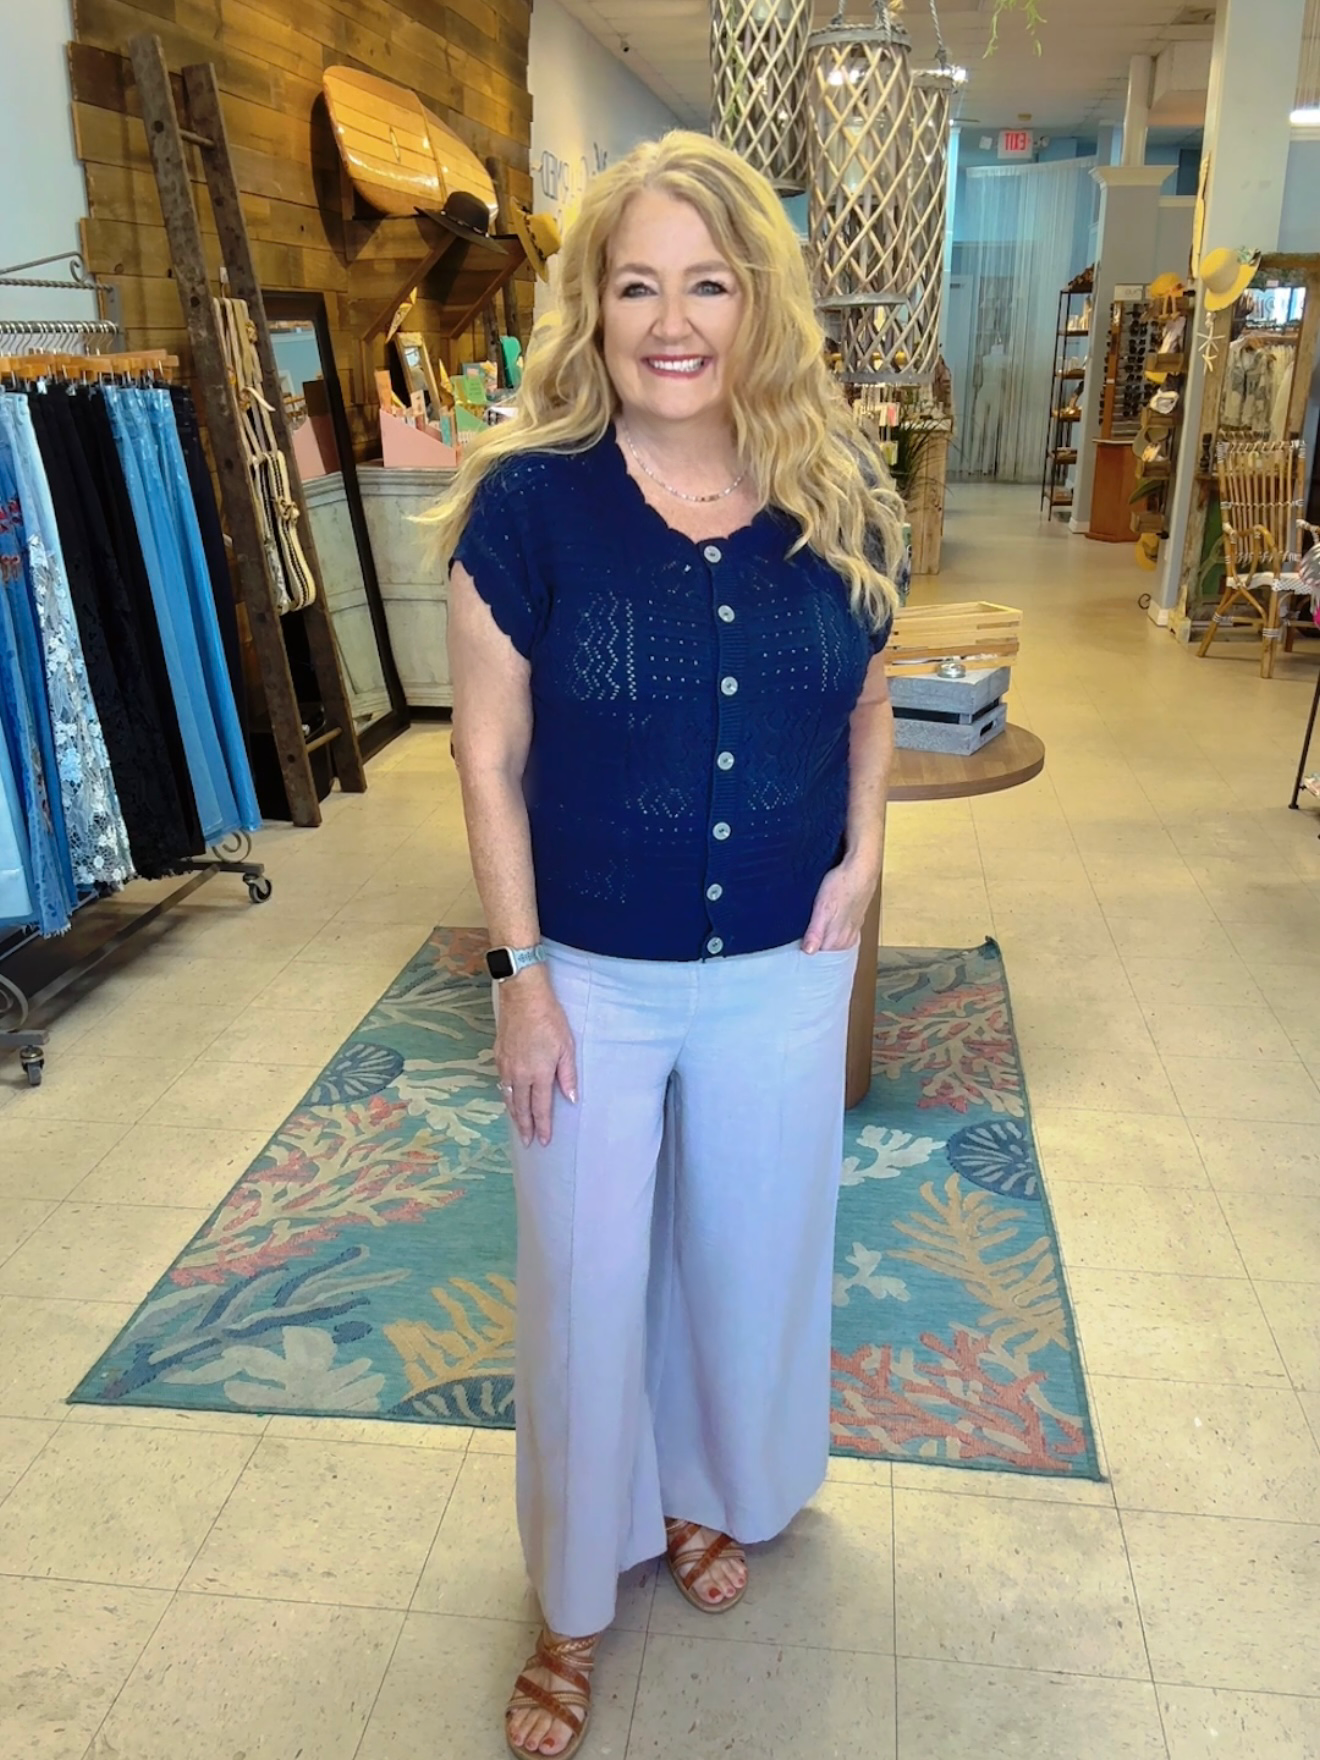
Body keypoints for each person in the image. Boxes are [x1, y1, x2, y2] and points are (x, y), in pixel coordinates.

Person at [435, 129, 903, 1760]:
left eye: (707, 282)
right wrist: (520, 980)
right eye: (636, 285)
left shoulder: (841, 490)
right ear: (594, 309)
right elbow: (484, 755)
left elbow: (869, 698)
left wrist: (864, 858)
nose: (673, 321)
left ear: (758, 300)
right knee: (585, 1286)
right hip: (591, 979)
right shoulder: (529, 506)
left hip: (784, 970)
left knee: (746, 1257)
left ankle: (705, 1492)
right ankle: (574, 1596)